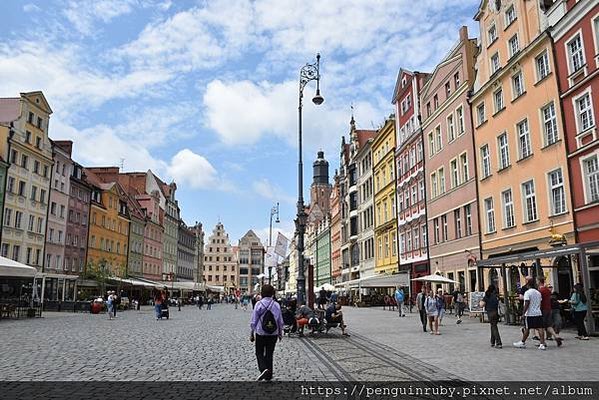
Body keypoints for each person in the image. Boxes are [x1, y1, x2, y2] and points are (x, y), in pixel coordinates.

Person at [250, 284, 284, 381]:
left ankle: (263, 369)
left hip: (261, 333)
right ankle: (268, 376)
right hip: (273, 333)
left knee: (259, 352)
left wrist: (252, 333)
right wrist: (280, 333)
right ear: (272, 293)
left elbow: (254, 321)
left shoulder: (259, 304)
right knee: (269, 353)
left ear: (262, 293)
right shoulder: (276, 305)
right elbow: (280, 321)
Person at [513, 279, 547, 350]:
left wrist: (523, 313)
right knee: (540, 328)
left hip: (530, 313)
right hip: (538, 312)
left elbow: (527, 303)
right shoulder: (538, 293)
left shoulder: (527, 293)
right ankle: (542, 343)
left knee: (527, 328)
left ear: (528, 285)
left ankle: (522, 342)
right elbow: (540, 303)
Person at [538, 278, 563, 346]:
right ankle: (556, 336)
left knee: (541, 326)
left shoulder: (540, 291)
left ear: (539, 282)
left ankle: (542, 342)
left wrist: (538, 309)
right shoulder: (548, 290)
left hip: (543, 310)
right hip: (549, 309)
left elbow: (540, 301)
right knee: (548, 325)